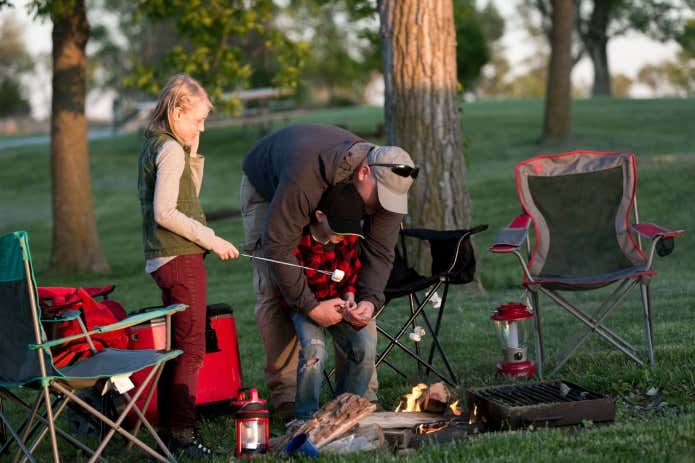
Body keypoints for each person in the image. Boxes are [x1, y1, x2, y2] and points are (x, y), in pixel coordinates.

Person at [240, 124, 417, 420]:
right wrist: (310, 306)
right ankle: (288, 399)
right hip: (271, 186)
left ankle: (359, 399)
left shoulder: (390, 184)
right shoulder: (306, 174)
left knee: (360, 303)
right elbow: (279, 247)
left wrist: (368, 301)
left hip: (320, 202)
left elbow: (380, 252)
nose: (384, 206)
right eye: (381, 196)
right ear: (363, 173)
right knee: (274, 283)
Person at [137, 74, 239, 457]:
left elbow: (186, 196)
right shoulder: (169, 150)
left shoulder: (158, 145)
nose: (202, 126)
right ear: (177, 110)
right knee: (192, 349)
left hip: (164, 259)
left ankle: (170, 429)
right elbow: (166, 212)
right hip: (180, 258)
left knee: (179, 348)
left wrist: (193, 148)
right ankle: (181, 435)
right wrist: (212, 239)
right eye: (197, 119)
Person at [283, 183, 374, 420]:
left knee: (364, 346)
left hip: (339, 305)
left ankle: (345, 411)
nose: (343, 235)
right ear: (320, 216)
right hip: (306, 306)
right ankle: (305, 417)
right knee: (315, 350)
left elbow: (350, 274)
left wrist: (350, 300)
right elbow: (293, 286)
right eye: (339, 229)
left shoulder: (347, 238)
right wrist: (314, 308)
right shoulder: (297, 240)